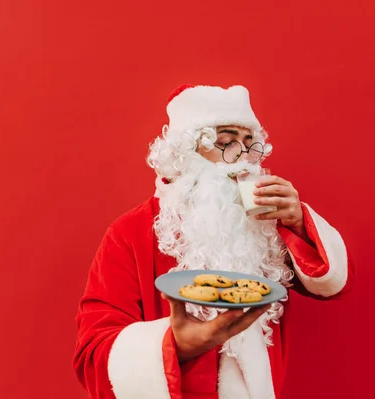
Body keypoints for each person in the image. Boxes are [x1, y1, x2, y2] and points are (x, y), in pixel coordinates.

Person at [73, 84, 354, 399]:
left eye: (250, 144)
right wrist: (173, 345)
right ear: (186, 151)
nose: (244, 158)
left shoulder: (264, 224)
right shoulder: (131, 232)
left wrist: (299, 223)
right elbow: (93, 353)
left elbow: (332, 283)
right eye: (226, 143)